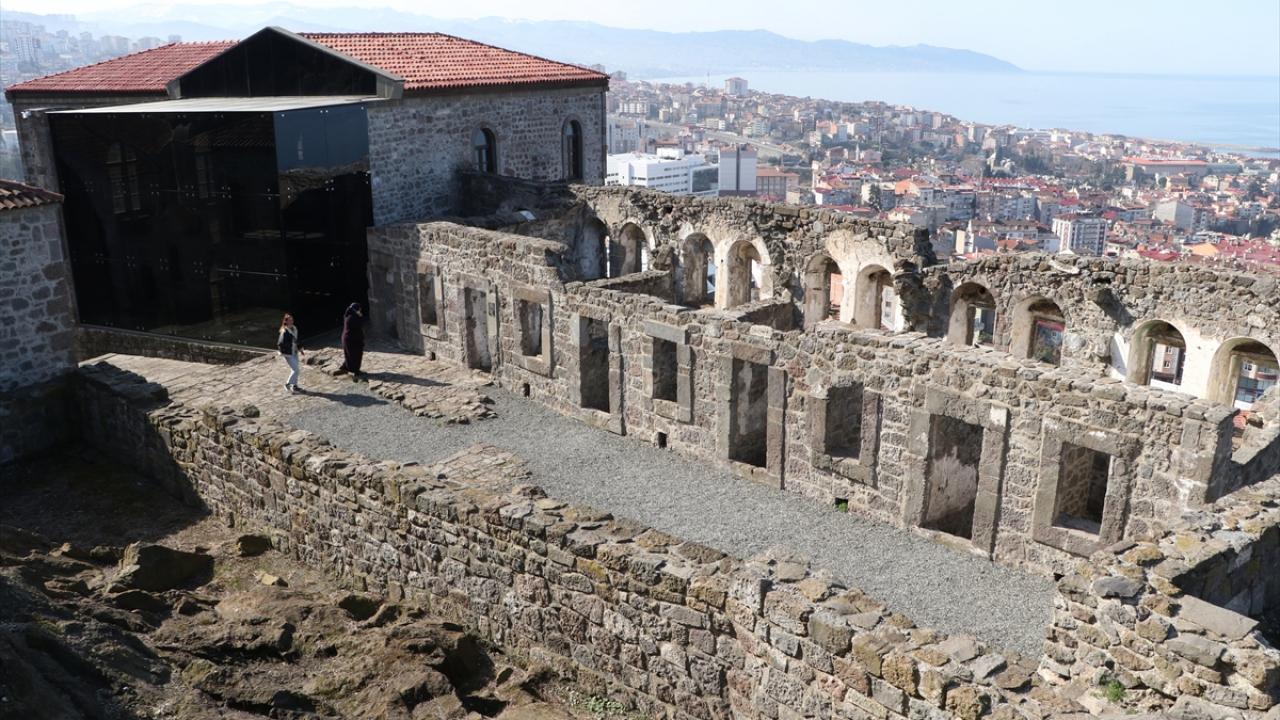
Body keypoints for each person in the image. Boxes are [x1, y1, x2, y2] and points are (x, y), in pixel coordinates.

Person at [338, 302, 366, 381]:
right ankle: (355, 371)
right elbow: (359, 325)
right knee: (355, 356)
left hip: (349, 339)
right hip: (352, 340)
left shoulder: (348, 315)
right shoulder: (352, 318)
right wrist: (360, 317)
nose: (360, 311)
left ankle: (347, 367)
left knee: (350, 355)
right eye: (359, 309)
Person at [277, 313, 303, 393]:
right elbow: (280, 344)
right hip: (288, 353)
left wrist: (300, 348)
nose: (292, 321)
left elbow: (296, 340)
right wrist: (286, 349)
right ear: (286, 322)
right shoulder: (284, 331)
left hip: (294, 352)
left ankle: (294, 386)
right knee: (296, 370)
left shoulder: (294, 328)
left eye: (292, 320)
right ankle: (288, 384)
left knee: (295, 369)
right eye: (290, 320)